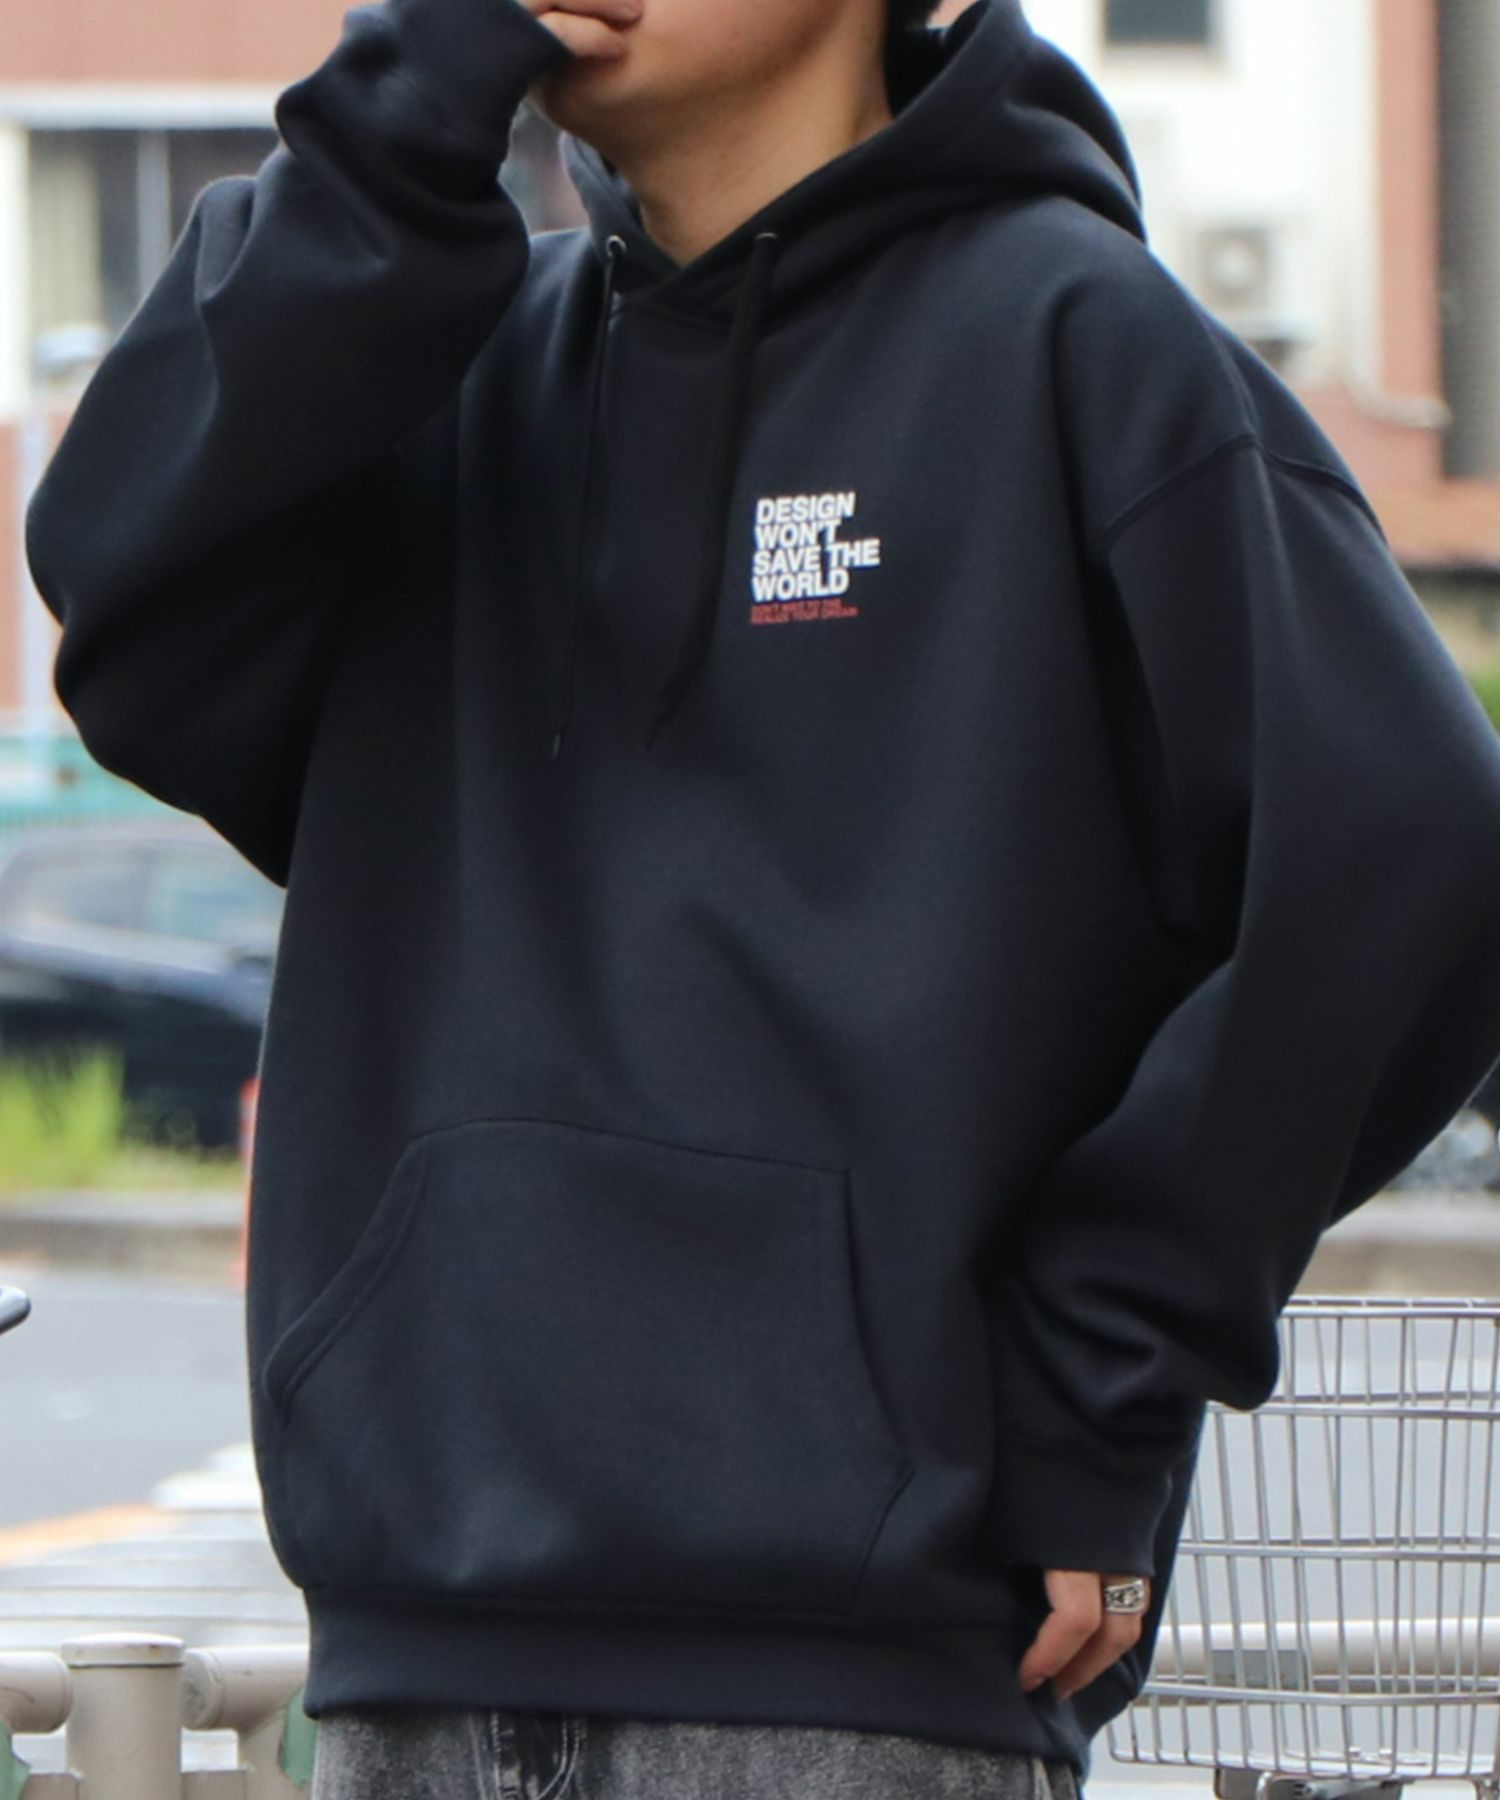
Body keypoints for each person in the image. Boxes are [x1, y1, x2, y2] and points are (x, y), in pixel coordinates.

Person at [24, 0, 1500, 1792]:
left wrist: (1103, 1375)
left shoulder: (1073, 340)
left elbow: (1408, 860)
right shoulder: (441, 362)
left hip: (855, 1697)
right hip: (415, 1671)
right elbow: (122, 579)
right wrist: (399, 118)